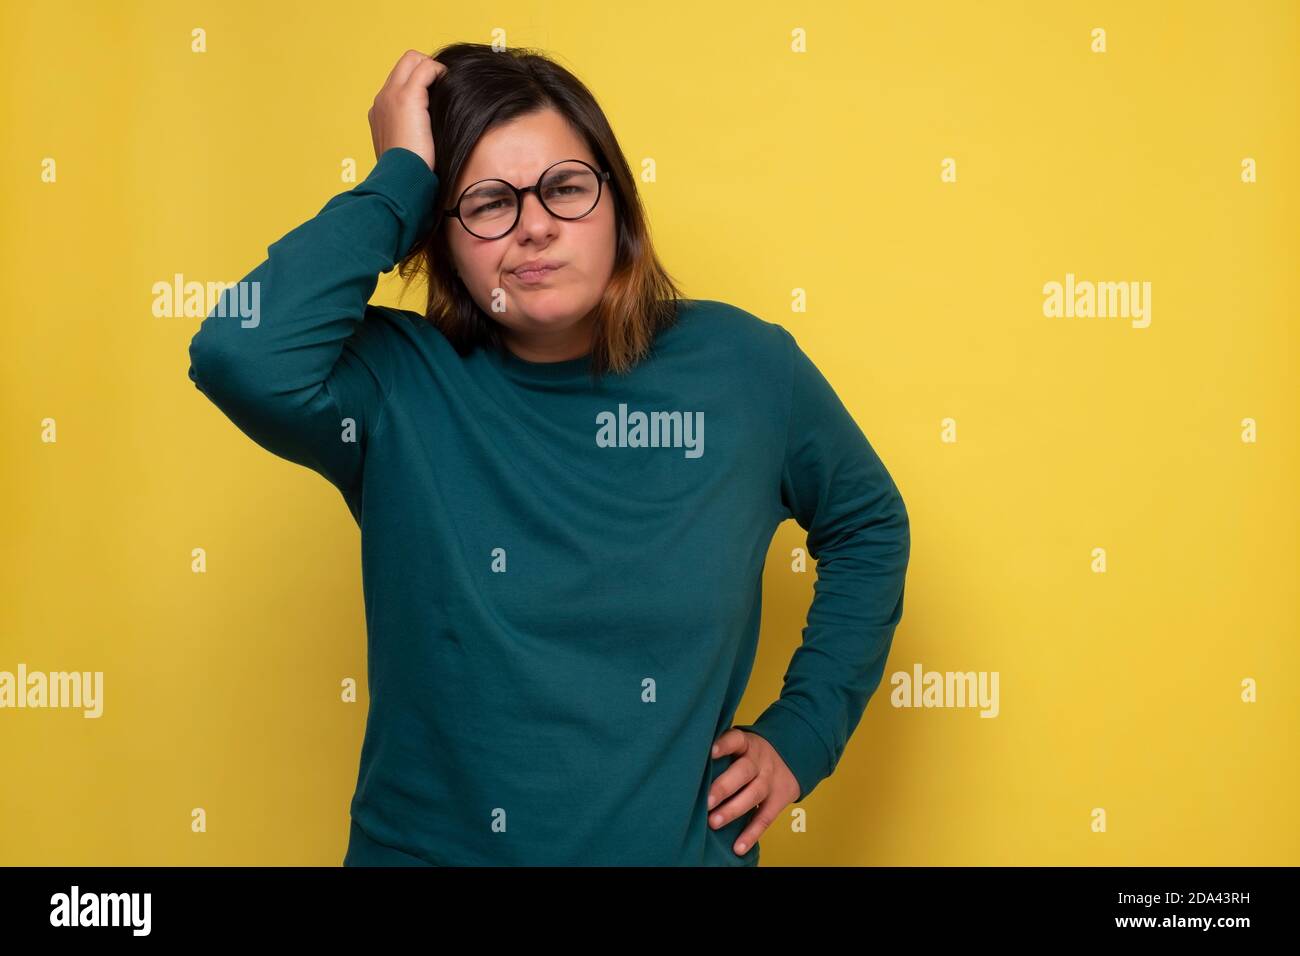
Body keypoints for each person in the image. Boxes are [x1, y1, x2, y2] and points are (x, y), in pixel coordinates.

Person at [186, 42, 911, 866]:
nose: (535, 226)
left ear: (618, 205)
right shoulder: (393, 383)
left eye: (566, 188)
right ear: (439, 236)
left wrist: (806, 729)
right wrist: (396, 176)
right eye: (488, 203)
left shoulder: (746, 371)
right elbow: (238, 353)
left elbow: (867, 524)